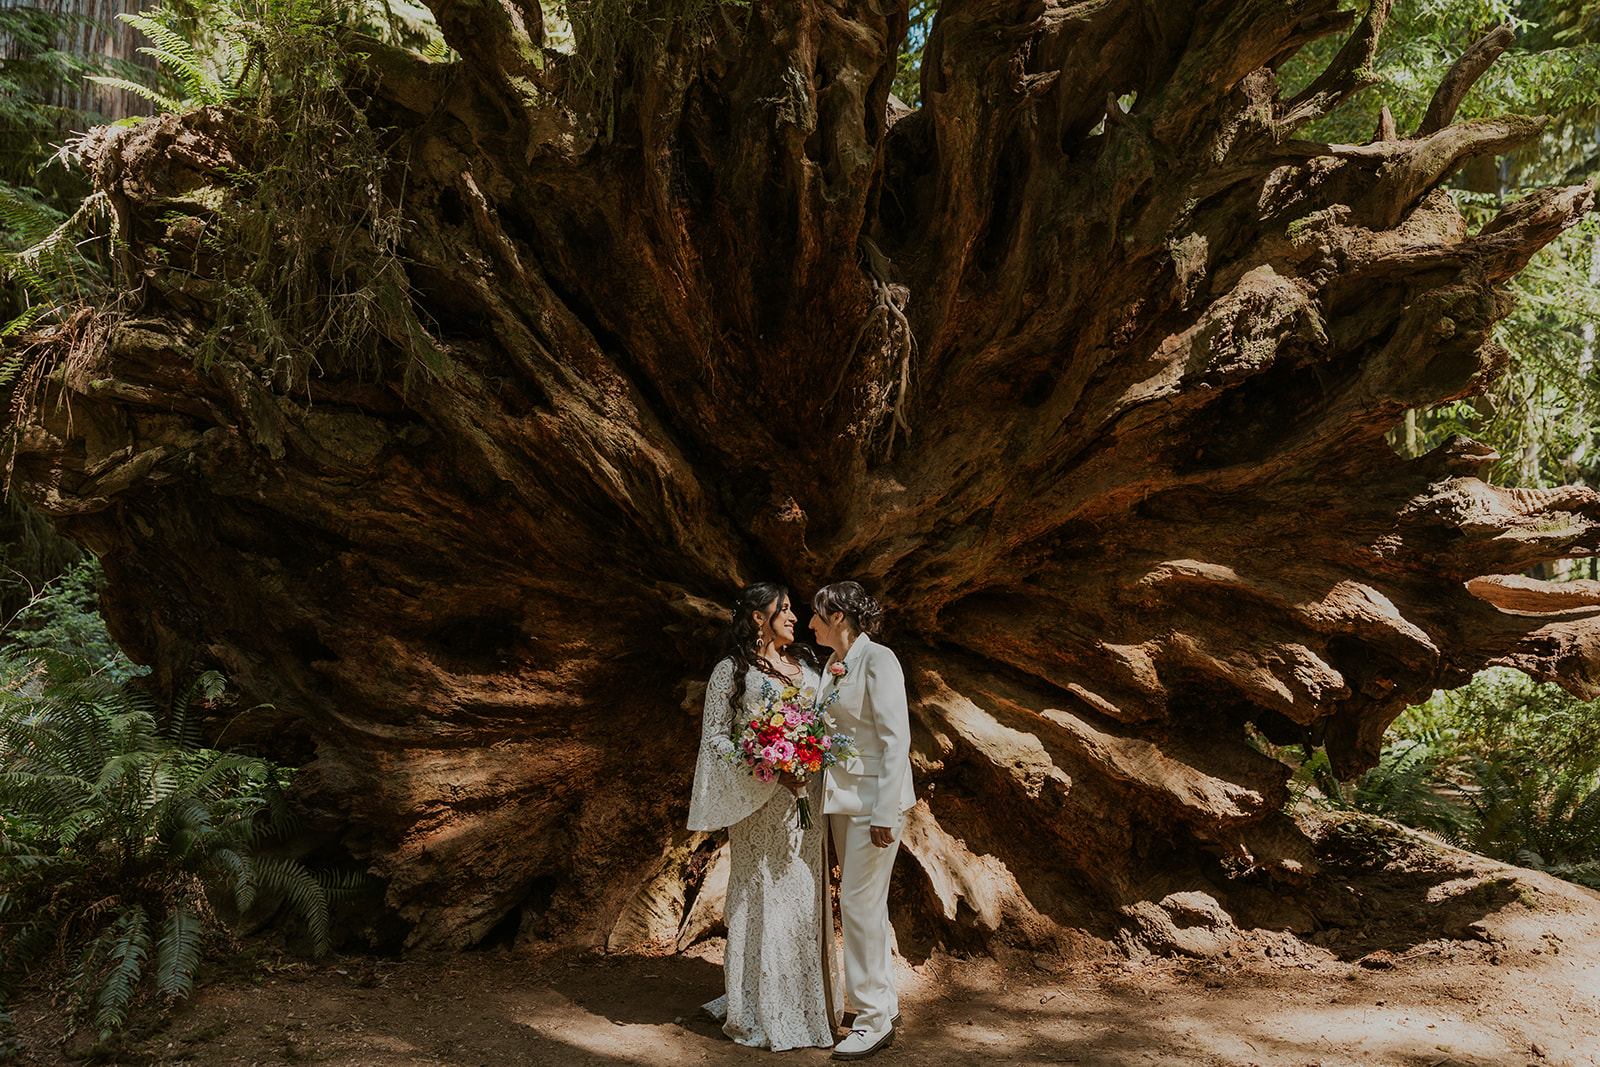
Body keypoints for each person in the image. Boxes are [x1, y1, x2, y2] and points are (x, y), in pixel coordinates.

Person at [686, 582, 840, 1050]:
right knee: (760, 893)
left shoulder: (810, 665)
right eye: (786, 609)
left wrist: (807, 760)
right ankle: (756, 1004)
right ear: (758, 617)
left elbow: (826, 724)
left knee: (802, 894)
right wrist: (764, 768)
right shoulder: (730, 671)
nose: (796, 617)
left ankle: (803, 1002)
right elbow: (715, 737)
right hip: (758, 802)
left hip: (806, 800)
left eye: (794, 610)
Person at [811, 581, 915, 1061]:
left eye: (816, 614)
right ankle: (884, 1004)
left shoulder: (880, 659)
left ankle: (871, 1020)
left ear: (837, 616)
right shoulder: (834, 667)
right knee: (866, 906)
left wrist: (884, 812)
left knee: (855, 903)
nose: (810, 623)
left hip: (873, 805)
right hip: (841, 802)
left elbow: (896, 740)